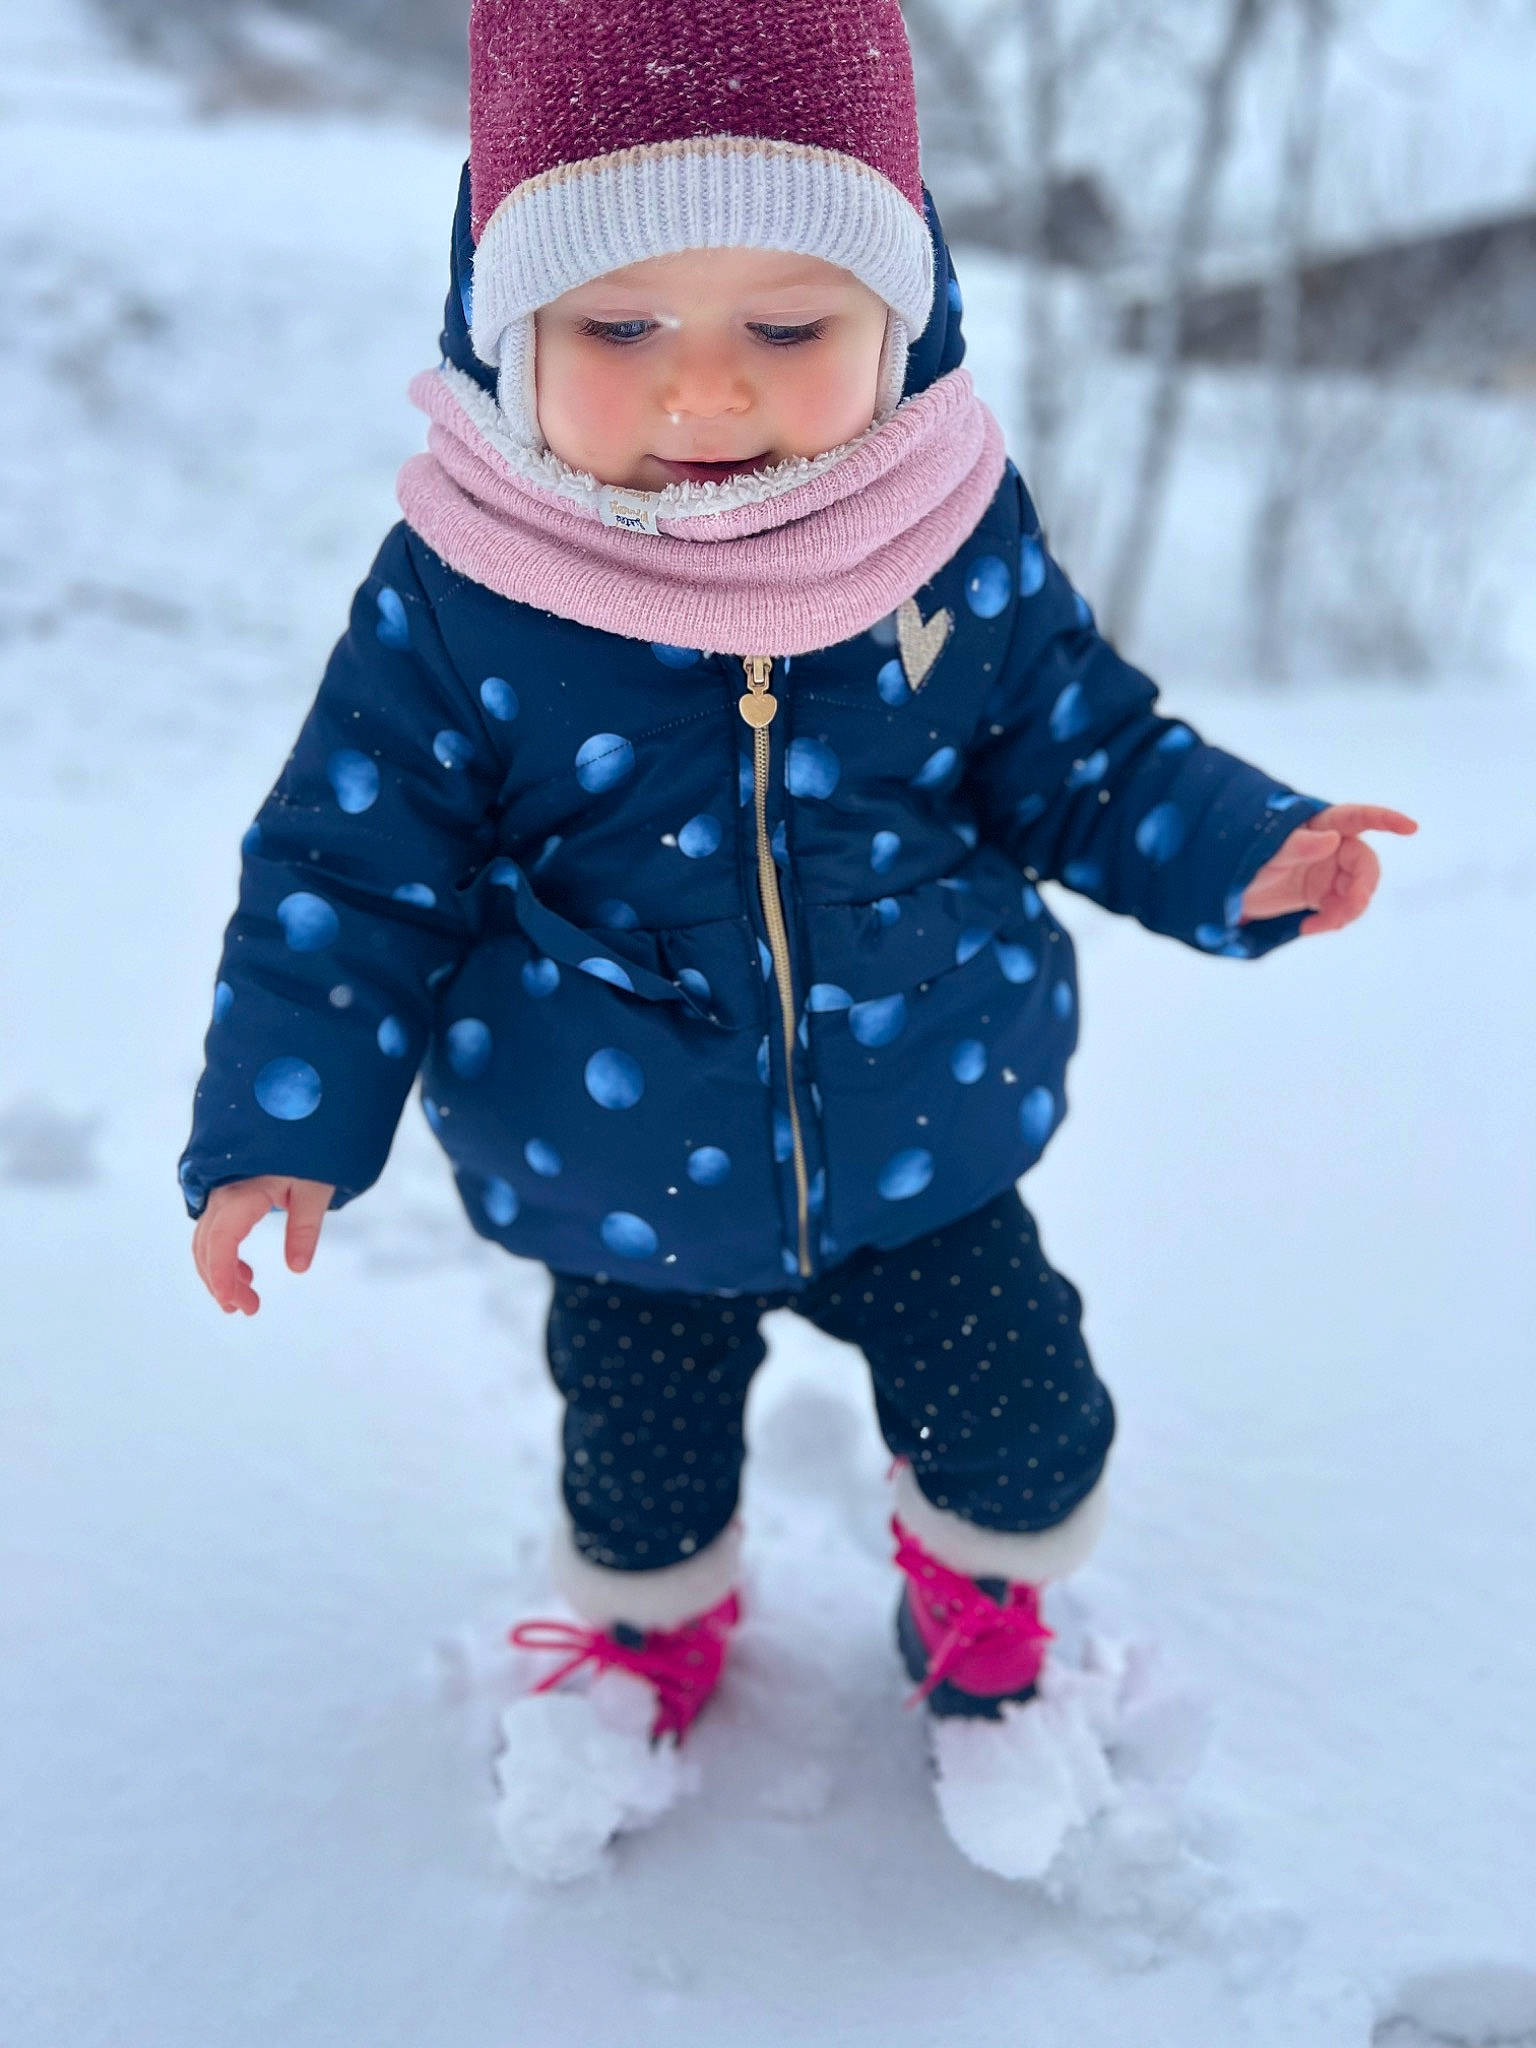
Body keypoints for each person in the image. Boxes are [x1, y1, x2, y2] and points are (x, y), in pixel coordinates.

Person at [179, 0, 1416, 1871]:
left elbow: (1075, 747)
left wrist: (1243, 848)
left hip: (926, 1134)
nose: (706, 397)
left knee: (1028, 1424)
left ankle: (978, 1603)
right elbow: (351, 875)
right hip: (613, 1181)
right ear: (510, 330)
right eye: (620, 330)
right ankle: (645, 1644)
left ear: (897, 320)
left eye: (786, 328)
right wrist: (283, 1118)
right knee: (639, 1471)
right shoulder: (467, 590)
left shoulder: (943, 529)